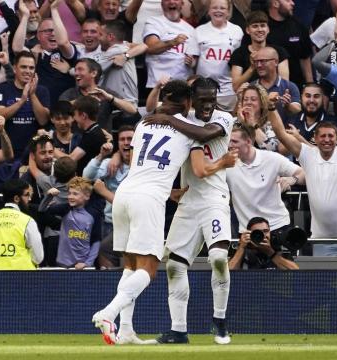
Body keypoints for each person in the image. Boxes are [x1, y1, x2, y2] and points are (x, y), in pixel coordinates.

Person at [92, 79, 236, 346]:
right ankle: (108, 314)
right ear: (188, 102)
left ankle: (125, 331)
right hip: (149, 198)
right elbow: (202, 149)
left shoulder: (144, 123)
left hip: (125, 191)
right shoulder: (192, 130)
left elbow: (136, 161)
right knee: (148, 269)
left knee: (131, 265)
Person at [145, 78, 237, 345]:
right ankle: (178, 330)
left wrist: (168, 120)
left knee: (219, 257)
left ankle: (219, 320)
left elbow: (205, 135)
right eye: (202, 99)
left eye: (212, 98)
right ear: (191, 99)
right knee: (173, 265)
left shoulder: (223, 118)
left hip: (214, 199)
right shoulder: (184, 120)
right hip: (188, 201)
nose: (208, 104)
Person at [267, 87, 337, 257]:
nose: (327, 140)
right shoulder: (307, 155)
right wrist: (271, 107)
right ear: (315, 138)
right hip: (322, 239)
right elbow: (280, 133)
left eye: (331, 136)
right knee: (323, 284)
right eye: (323, 136)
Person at [226, 123, 305, 232]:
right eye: (228, 141)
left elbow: (304, 173)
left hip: (278, 225)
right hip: (248, 230)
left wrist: (292, 180)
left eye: (234, 141)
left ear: (248, 142)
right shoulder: (226, 164)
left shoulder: (271, 158)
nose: (229, 145)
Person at [0, 51, 50, 159]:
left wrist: (32, 95)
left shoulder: (42, 91)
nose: (28, 71)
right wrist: (22, 101)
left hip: (34, 154)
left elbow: (43, 120)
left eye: (31, 68)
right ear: (15, 68)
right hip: (8, 153)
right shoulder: (4, 89)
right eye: (24, 67)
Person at [59, 58, 136, 132]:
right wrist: (85, 100)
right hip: (76, 142)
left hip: (104, 142)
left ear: (94, 73)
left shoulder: (105, 93)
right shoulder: (69, 94)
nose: (76, 73)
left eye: (80, 69)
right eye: (75, 70)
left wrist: (110, 98)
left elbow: (132, 110)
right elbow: (60, 111)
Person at [0, 178, 43, 270]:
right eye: (27, 195)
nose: (29, 199)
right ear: (16, 198)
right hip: (22, 278)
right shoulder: (27, 221)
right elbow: (38, 257)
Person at [194, 0, 243, 112]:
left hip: (229, 90)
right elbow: (194, 62)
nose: (218, 11)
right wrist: (190, 61)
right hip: (204, 90)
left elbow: (240, 60)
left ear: (228, 11)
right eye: (215, 7)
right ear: (209, 10)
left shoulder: (237, 31)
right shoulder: (199, 31)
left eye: (222, 8)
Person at [228, 10, 289, 92]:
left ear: (268, 29)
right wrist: (252, 67)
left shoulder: (279, 52)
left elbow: (284, 84)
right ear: (248, 30)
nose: (259, 29)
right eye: (255, 26)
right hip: (249, 100)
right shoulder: (239, 54)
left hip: (274, 97)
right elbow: (235, 87)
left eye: (263, 26)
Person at [143, 0, 198, 89]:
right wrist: (173, 42)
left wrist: (192, 62)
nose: (172, 2)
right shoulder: (153, 22)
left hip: (183, 87)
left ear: (182, 4)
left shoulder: (191, 29)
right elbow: (150, 48)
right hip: (158, 85)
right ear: (161, 4)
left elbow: (195, 62)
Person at [55, 176, 98, 269]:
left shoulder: (93, 214)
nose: (70, 196)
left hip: (83, 266)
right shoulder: (65, 209)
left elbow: (96, 241)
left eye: (75, 194)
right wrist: (48, 196)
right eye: (69, 193)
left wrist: (87, 263)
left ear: (87, 196)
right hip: (63, 264)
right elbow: (41, 210)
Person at [251, 46, 301, 126]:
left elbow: (298, 109)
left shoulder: (289, 86)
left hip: (284, 134)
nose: (259, 65)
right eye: (256, 62)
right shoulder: (251, 87)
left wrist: (288, 105)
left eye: (263, 61)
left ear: (276, 62)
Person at [228, 216, 299, 270]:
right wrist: (241, 247)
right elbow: (227, 275)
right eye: (257, 232)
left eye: (265, 231)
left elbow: (297, 273)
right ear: (249, 234)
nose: (263, 235)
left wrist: (271, 253)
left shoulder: (278, 250)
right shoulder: (242, 251)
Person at [66, 96, 108, 175]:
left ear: (83, 115)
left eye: (75, 114)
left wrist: (52, 148)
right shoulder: (92, 131)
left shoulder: (92, 135)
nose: (74, 118)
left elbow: (70, 160)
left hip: (90, 184)